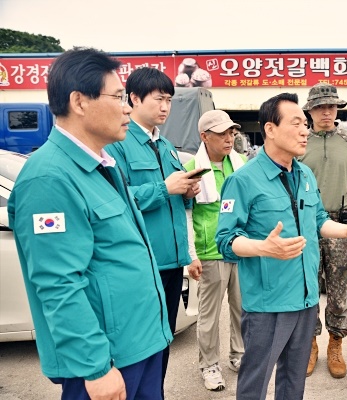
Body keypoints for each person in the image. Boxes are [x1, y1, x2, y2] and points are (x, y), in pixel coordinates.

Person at [7, 47, 173, 399]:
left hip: (140, 343)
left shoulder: (101, 165)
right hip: (108, 358)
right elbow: (58, 283)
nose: (127, 108)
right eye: (117, 97)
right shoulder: (49, 179)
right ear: (79, 101)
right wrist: (94, 367)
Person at [215, 92, 347, 400]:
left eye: (304, 123)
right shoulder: (244, 180)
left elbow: (318, 220)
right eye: (296, 122)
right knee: (255, 380)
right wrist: (263, 248)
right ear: (270, 129)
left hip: (307, 298)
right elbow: (225, 241)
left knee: (293, 381)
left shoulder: (305, 174)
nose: (305, 130)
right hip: (269, 304)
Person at [105, 67, 204, 396]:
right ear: (133, 99)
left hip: (173, 263)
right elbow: (117, 201)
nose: (165, 106)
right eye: (158, 99)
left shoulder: (168, 146)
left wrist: (186, 193)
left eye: (170, 100)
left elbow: (176, 205)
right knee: (138, 347)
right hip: (143, 266)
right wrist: (164, 188)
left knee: (163, 341)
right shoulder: (118, 145)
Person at [298, 82, 347, 379]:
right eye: (320, 106)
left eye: (331, 106)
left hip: (342, 224)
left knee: (340, 289)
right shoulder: (300, 140)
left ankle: (336, 343)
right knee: (308, 287)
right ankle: (310, 343)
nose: (326, 111)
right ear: (310, 110)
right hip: (306, 225)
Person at [184, 110, 246, 391]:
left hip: (240, 248)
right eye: (222, 133)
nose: (229, 138)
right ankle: (209, 365)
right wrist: (191, 255)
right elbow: (185, 214)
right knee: (208, 316)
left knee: (243, 309)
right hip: (209, 252)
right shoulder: (193, 170)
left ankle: (239, 355)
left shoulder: (241, 164)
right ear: (204, 137)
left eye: (231, 132)